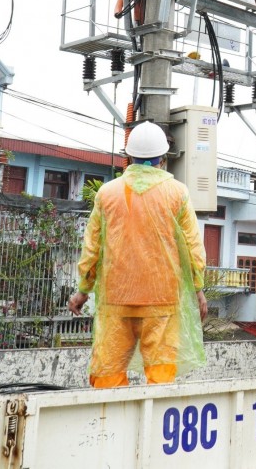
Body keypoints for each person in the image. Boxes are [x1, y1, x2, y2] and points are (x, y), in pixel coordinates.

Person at [68, 122, 207, 388]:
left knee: (107, 374)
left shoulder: (107, 193)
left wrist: (83, 291)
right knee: (160, 377)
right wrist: (198, 289)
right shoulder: (177, 193)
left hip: (116, 300)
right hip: (162, 301)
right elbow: (192, 246)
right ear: (163, 159)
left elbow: (92, 248)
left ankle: (112, 426)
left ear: (129, 157)